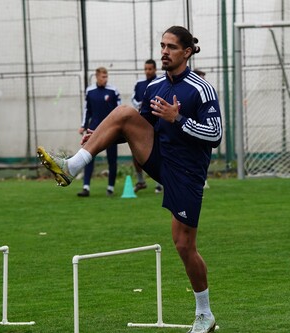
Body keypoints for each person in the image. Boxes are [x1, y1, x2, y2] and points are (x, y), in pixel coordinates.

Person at [37, 26, 221, 332]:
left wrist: (178, 119)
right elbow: (136, 126)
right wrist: (104, 135)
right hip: (160, 158)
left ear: (186, 53)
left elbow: (215, 135)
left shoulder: (201, 89)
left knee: (183, 245)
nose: (164, 51)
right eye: (162, 45)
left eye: (171, 47)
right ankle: (72, 166)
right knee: (122, 114)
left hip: (187, 173)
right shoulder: (154, 87)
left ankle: (205, 314)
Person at [77, 67, 121, 197]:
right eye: (103, 77)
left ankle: (110, 188)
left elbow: (119, 111)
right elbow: (87, 110)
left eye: (106, 77)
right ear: (96, 77)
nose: (105, 79)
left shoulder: (113, 91)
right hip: (93, 130)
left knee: (112, 159)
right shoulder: (90, 91)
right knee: (88, 157)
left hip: (110, 130)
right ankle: (86, 187)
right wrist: (83, 125)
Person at [131, 59, 163, 194]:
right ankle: (140, 181)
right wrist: (141, 105)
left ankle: (159, 183)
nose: (148, 71)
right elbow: (134, 99)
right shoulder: (139, 84)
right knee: (136, 153)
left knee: (158, 153)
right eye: (146, 69)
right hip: (141, 123)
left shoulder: (161, 82)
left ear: (155, 69)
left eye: (150, 69)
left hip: (156, 123)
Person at [192, 69, 210, 190]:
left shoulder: (207, 93)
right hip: (191, 131)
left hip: (202, 132)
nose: (203, 81)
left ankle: (202, 178)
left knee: (202, 155)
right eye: (201, 78)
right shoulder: (190, 93)